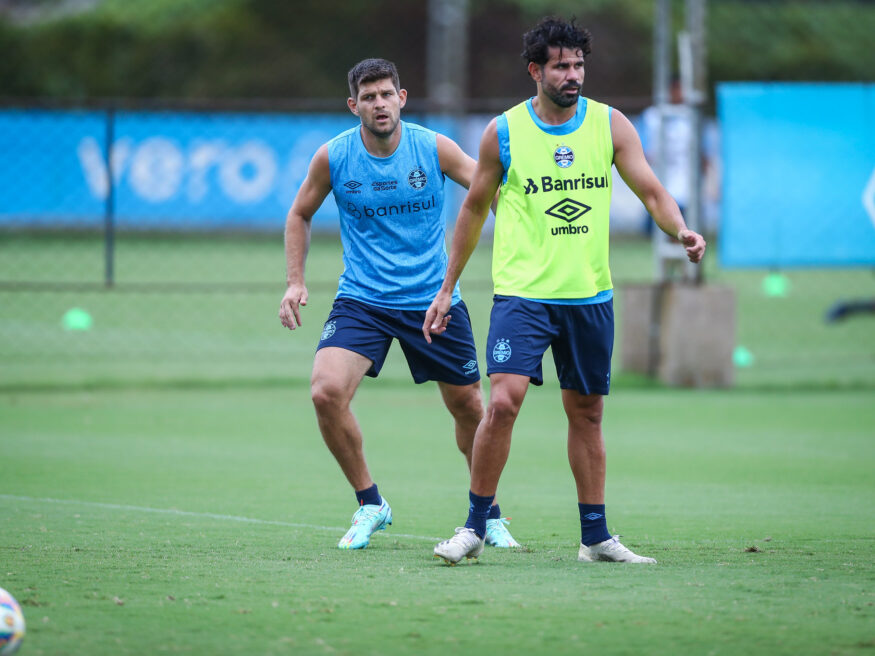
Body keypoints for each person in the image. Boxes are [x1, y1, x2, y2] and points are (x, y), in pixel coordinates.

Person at [423, 18, 706, 565]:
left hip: (589, 297)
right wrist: (447, 286)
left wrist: (681, 230)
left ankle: (595, 538)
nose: (573, 74)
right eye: (561, 65)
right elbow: (474, 209)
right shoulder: (502, 132)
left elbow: (651, 189)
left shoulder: (610, 124)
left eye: (578, 64)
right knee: (503, 403)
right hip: (523, 295)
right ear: (536, 70)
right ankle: (476, 527)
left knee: (588, 414)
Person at [278, 58, 519, 550]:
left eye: (387, 94)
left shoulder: (432, 148)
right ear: (354, 106)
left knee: (469, 407)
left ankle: (488, 515)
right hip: (362, 300)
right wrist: (294, 281)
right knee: (325, 392)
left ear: (402, 98)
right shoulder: (334, 157)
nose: (379, 103)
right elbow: (299, 213)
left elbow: (489, 190)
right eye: (369, 97)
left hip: (431, 299)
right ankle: (370, 503)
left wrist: (519, 249)